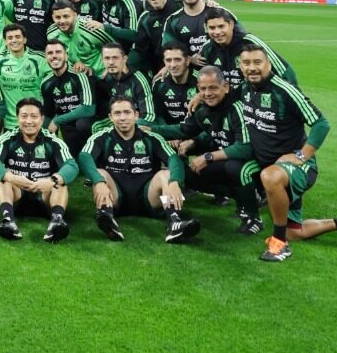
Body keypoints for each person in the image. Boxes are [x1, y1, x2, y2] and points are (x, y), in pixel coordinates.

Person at [237, 44, 337, 261]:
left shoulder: (285, 90)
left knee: (270, 176)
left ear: (269, 64)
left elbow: (321, 123)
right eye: (246, 63)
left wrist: (302, 155)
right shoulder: (244, 89)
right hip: (275, 167)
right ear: (240, 66)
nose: (252, 68)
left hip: (298, 167)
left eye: (258, 62)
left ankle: (279, 244)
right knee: (294, 232)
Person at [78, 97, 198, 244]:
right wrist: (98, 181)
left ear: (136, 115)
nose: (122, 118)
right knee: (100, 174)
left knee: (166, 174)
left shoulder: (152, 137)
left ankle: (174, 223)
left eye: (127, 112)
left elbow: (174, 159)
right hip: (116, 197)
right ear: (110, 117)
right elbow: (84, 157)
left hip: (147, 196)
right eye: (117, 113)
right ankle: (108, 219)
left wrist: (175, 182)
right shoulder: (102, 137)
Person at [165, 66, 263, 235]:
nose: (208, 93)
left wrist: (208, 157)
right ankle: (243, 197)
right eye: (203, 89)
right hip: (226, 158)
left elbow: (245, 148)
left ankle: (253, 217)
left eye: (213, 88)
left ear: (225, 87)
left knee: (235, 169)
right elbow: (185, 130)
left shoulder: (237, 108)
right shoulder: (202, 110)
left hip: (256, 160)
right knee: (188, 175)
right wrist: (150, 129)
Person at [0, 97, 78, 243]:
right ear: (17, 118)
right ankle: (8, 220)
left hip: (45, 196)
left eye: (34, 116)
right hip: (17, 196)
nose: (29, 121)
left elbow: (71, 165)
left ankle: (56, 221)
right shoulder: (6, 139)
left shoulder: (53, 141)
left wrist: (51, 181)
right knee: (3, 178)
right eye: (24, 116)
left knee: (60, 180)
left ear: (42, 119)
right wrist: (12, 178)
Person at [200, 6, 296, 90]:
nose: (217, 32)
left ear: (231, 25)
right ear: (206, 28)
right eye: (212, 28)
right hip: (228, 105)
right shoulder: (207, 48)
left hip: (252, 102)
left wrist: (292, 96)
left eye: (221, 26)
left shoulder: (249, 42)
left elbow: (282, 69)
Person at [0, 23, 52, 131]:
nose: (14, 40)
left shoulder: (39, 60)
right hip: (11, 123)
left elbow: (61, 67)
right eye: (10, 38)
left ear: (25, 39)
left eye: (18, 37)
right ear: (5, 41)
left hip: (36, 122)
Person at [40, 40, 96, 155]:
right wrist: (39, 132)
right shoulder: (46, 83)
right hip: (68, 124)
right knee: (73, 157)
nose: (54, 56)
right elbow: (48, 113)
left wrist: (57, 120)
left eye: (58, 52)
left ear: (66, 55)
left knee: (82, 124)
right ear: (45, 57)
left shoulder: (79, 74)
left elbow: (88, 109)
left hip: (88, 121)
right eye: (50, 53)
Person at [47, 0, 113, 76]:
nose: (62, 21)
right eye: (58, 17)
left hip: (100, 76)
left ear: (75, 15)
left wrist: (108, 70)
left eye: (66, 16)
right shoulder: (51, 33)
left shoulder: (90, 29)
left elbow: (115, 48)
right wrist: (73, 64)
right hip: (74, 76)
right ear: (52, 17)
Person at [130, 0, 182, 74]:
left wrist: (210, 5)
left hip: (186, 63)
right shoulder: (145, 19)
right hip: (159, 70)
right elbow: (140, 50)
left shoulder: (181, 5)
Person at [96, 43, 156, 127]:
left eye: (115, 58)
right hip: (120, 121)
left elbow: (149, 116)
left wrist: (124, 127)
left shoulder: (139, 80)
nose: (111, 62)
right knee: (95, 126)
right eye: (107, 58)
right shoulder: (107, 79)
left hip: (141, 123)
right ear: (102, 60)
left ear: (124, 59)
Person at [161, 0, 212, 64]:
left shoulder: (219, 13)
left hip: (219, 72)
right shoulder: (172, 21)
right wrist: (189, 59)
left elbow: (240, 39)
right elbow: (168, 50)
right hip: (188, 73)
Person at [150, 42, 197, 128]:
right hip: (171, 135)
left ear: (187, 61)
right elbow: (159, 116)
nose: (173, 65)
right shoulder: (159, 84)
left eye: (178, 60)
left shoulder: (201, 81)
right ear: (164, 62)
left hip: (197, 134)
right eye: (168, 60)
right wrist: (169, 137)